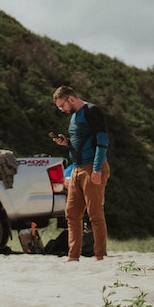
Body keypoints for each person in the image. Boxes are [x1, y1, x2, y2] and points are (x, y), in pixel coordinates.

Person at [50, 85, 110, 261]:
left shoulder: (92, 111)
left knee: (95, 214)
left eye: (62, 106)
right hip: (76, 168)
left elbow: (102, 142)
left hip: (92, 167)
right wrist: (66, 142)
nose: (62, 110)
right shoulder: (74, 116)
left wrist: (97, 169)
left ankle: (99, 255)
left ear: (71, 98)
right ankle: (73, 256)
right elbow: (81, 141)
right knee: (71, 213)